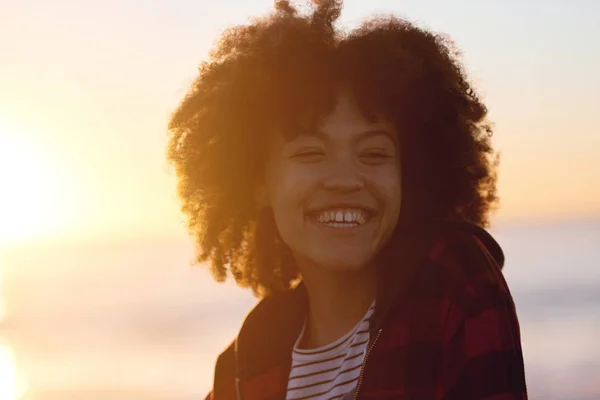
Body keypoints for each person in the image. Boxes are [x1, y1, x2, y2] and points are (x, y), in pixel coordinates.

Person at [167, 1, 528, 399]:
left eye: (373, 154)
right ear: (256, 182)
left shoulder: (451, 284)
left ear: (409, 175)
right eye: (310, 153)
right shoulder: (245, 359)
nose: (345, 180)